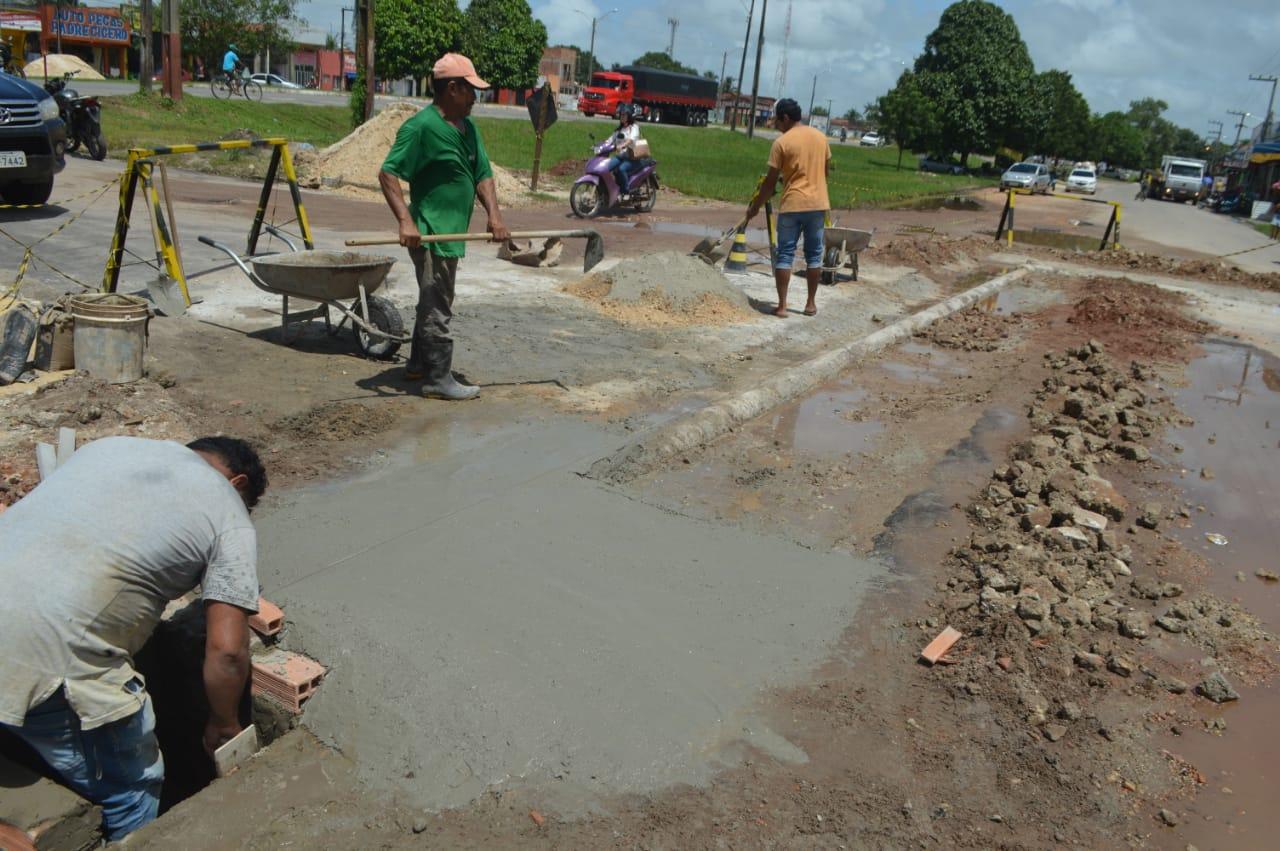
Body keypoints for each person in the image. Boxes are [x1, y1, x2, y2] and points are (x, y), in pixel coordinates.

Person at [0, 435, 267, 840]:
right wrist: (225, 723)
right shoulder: (228, 514)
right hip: (38, 651)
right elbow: (229, 652)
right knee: (131, 787)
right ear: (237, 484)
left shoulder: (110, 448)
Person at [379, 53, 510, 401]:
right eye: (470, 91)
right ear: (452, 89)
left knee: (433, 298)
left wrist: (495, 216)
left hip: (453, 233)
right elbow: (388, 173)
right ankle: (438, 380)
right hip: (431, 232)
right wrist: (405, 221)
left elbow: (482, 174)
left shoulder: (468, 129)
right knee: (438, 303)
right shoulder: (421, 127)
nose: (475, 98)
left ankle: (418, 366)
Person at [744, 97, 831, 318]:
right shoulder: (821, 138)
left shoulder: (782, 143)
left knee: (785, 255)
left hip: (792, 205)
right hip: (818, 204)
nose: (775, 124)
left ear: (785, 117)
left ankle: (782, 307)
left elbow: (769, 183)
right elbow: (825, 172)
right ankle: (810, 304)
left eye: (777, 120)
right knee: (814, 255)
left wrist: (755, 206)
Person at [606, 105, 642, 193]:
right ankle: (613, 188)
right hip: (621, 156)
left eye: (624, 115)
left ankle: (626, 190)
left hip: (632, 157)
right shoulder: (620, 129)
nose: (621, 117)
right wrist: (600, 146)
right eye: (621, 115)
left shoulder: (634, 127)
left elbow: (631, 140)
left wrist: (622, 145)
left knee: (621, 169)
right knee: (607, 167)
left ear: (629, 116)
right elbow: (610, 139)